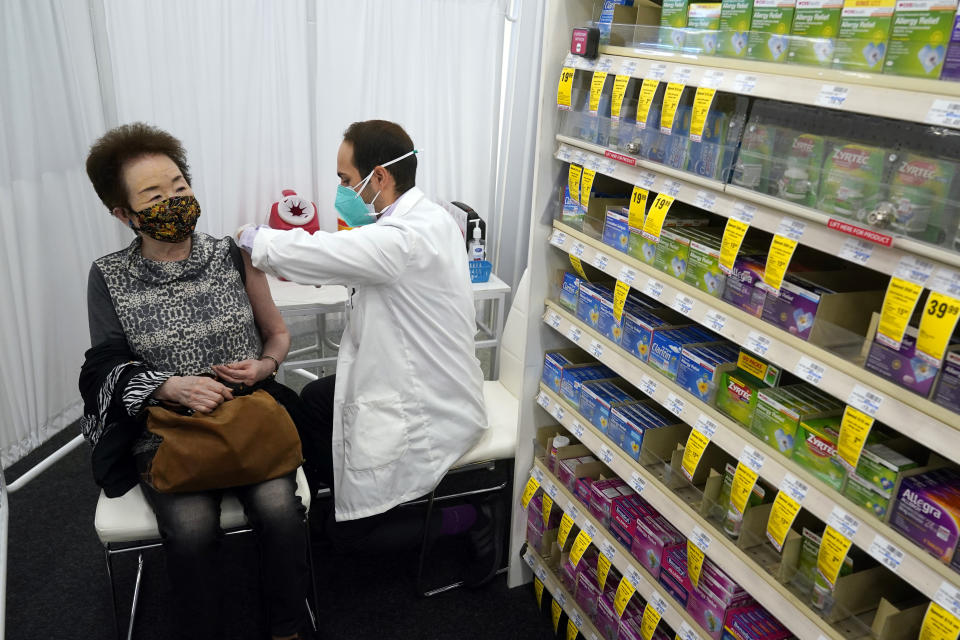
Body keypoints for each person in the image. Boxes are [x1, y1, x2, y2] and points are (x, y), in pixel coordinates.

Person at [236, 120, 499, 584]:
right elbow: (352, 258)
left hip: (428, 402)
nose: (341, 190)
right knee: (315, 401)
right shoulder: (421, 220)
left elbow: (324, 253)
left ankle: (471, 518)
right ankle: (334, 494)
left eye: (344, 179)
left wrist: (253, 238)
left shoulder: (406, 237)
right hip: (412, 374)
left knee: (350, 539)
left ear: (378, 177)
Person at [79, 123, 312, 640]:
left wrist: (266, 366)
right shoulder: (109, 275)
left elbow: (276, 335)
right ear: (123, 214)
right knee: (190, 529)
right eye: (154, 196)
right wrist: (168, 386)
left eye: (180, 186)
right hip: (166, 428)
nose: (174, 200)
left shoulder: (232, 253)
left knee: (278, 511)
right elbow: (105, 367)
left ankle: (288, 628)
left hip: (248, 415)